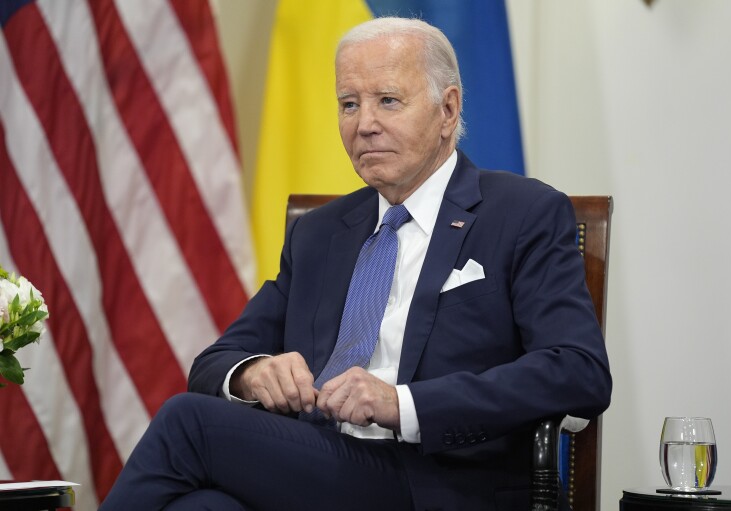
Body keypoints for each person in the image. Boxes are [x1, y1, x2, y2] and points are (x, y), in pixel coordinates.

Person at [100, 17, 611, 511]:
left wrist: (402, 404)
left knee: (190, 423)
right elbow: (216, 362)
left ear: (448, 110)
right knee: (203, 506)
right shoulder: (320, 232)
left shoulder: (522, 212)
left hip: (440, 480)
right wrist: (253, 373)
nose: (364, 124)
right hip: (324, 464)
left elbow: (579, 371)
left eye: (388, 101)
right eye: (349, 104)